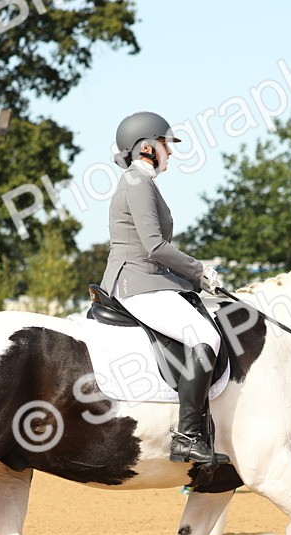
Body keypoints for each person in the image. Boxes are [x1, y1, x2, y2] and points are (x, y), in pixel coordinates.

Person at [100, 111, 228, 467]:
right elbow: (155, 247)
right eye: (165, 144)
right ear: (146, 148)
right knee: (207, 337)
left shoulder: (141, 182)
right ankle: (188, 434)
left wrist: (194, 282)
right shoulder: (138, 184)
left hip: (147, 280)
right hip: (137, 283)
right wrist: (199, 271)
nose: (170, 151)